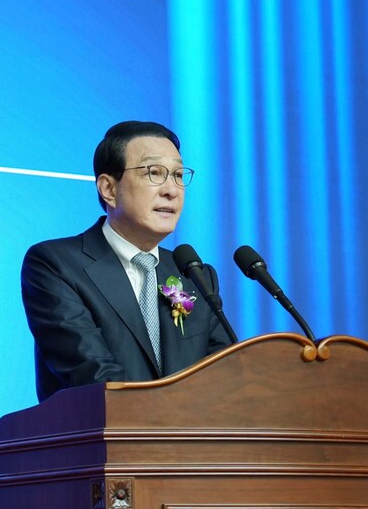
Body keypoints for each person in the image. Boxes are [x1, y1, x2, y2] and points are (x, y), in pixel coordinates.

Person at [22, 120, 231, 401]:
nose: (171, 190)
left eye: (178, 175)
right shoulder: (56, 264)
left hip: (191, 430)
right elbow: (93, 375)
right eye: (154, 172)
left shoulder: (193, 275)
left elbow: (224, 375)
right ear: (109, 189)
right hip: (103, 428)